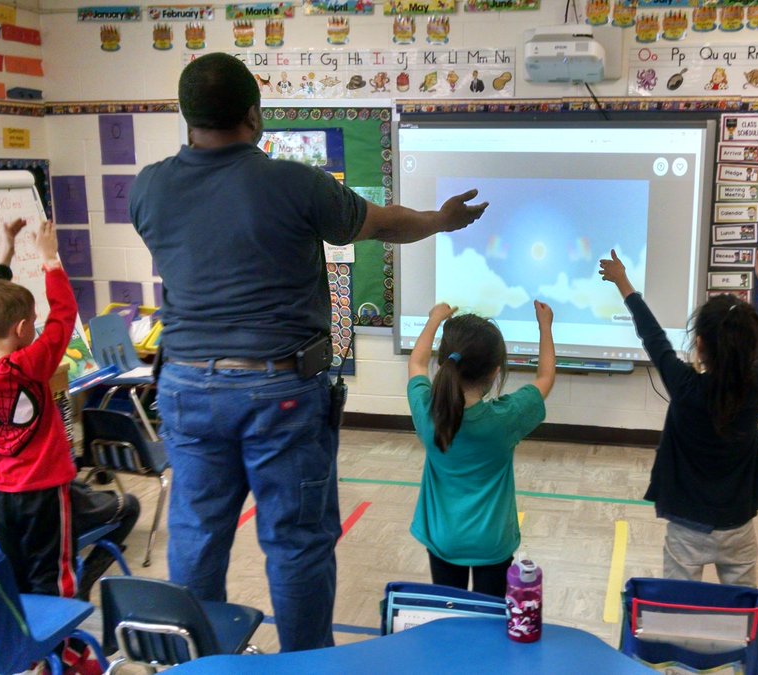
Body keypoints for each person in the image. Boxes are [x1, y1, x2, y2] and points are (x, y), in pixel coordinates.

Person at [128, 52, 487, 652]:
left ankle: (192, 664)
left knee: (195, 536)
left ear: (185, 116)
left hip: (185, 387)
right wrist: (440, 220)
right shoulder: (292, 183)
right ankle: (304, 667)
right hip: (280, 391)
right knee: (296, 542)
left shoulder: (148, 188)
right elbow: (383, 225)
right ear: (253, 114)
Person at [0, 218, 140, 602]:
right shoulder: (30, 365)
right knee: (55, 581)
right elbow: (64, 313)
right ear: (21, 328)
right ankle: (62, 652)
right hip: (44, 496)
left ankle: (33, 652)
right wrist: (50, 258)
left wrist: (6, 250)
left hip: (1, 496)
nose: (38, 328)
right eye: (33, 324)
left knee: (20, 579)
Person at [599, 252, 758, 587]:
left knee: (679, 606)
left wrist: (622, 281)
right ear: (749, 348)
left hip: (687, 526)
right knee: (742, 610)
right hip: (738, 524)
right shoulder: (756, 384)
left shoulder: (685, 386)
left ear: (699, 345)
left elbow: (653, 336)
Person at [405, 301, 555, 597]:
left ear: (445, 361)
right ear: (496, 371)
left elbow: (417, 364)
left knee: (451, 615)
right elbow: (545, 378)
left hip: (444, 539)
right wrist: (545, 327)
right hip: (492, 543)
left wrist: (435, 318)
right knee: (491, 619)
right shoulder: (505, 419)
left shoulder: (427, 413)